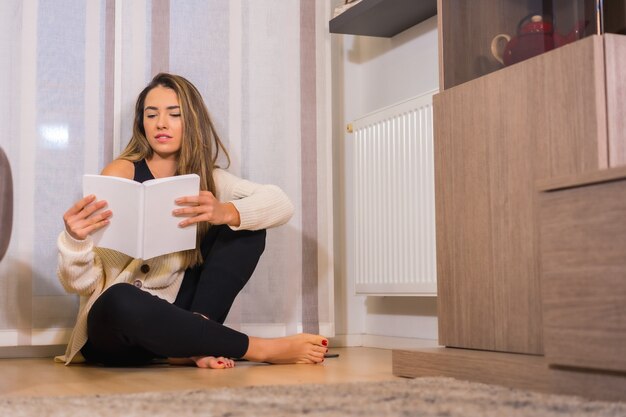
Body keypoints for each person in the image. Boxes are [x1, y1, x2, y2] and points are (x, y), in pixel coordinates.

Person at [57, 72, 328, 368]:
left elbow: (281, 204)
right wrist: (75, 242)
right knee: (120, 298)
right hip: (118, 329)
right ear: (141, 123)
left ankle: (195, 337)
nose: (161, 123)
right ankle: (258, 349)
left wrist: (224, 211)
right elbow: (81, 285)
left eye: (174, 114)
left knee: (246, 226)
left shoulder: (210, 179)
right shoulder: (120, 173)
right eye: (151, 115)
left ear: (192, 121)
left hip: (183, 315)